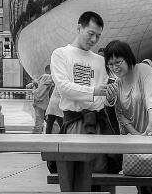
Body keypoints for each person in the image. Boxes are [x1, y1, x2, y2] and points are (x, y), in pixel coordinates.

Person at [49, 10, 119, 173]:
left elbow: (104, 99)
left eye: (98, 36)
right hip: (74, 123)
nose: (94, 39)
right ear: (79, 28)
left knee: (100, 172)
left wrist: (110, 96)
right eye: (91, 33)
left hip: (98, 124)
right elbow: (64, 89)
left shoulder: (100, 60)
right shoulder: (61, 54)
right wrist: (95, 91)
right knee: (75, 174)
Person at [103, 40, 152, 194]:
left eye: (118, 62)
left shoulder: (144, 70)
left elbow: (151, 97)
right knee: (140, 184)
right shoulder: (118, 83)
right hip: (137, 139)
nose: (114, 67)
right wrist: (138, 137)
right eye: (110, 64)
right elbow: (121, 115)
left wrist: (151, 124)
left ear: (128, 57)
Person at [29, 65, 54, 134]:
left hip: (39, 103)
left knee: (40, 121)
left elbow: (36, 84)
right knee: (43, 121)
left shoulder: (42, 78)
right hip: (44, 104)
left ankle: (37, 135)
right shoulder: (48, 77)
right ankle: (39, 135)